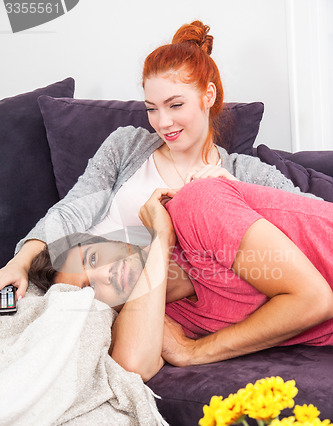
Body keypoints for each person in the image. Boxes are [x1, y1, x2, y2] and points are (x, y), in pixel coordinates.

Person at [0, 20, 315, 302]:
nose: (163, 122)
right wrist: (20, 261)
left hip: (141, 306)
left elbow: (309, 222)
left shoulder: (244, 173)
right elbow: (74, 209)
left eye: (175, 105)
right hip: (75, 287)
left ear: (208, 96)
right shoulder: (127, 145)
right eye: (152, 108)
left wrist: (239, 194)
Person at [28, 178, 333, 382]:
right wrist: (161, 240)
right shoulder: (151, 310)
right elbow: (133, 365)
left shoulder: (194, 208)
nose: (104, 273)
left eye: (92, 258)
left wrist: (193, 353)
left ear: (104, 238)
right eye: (90, 287)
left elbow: (314, 300)